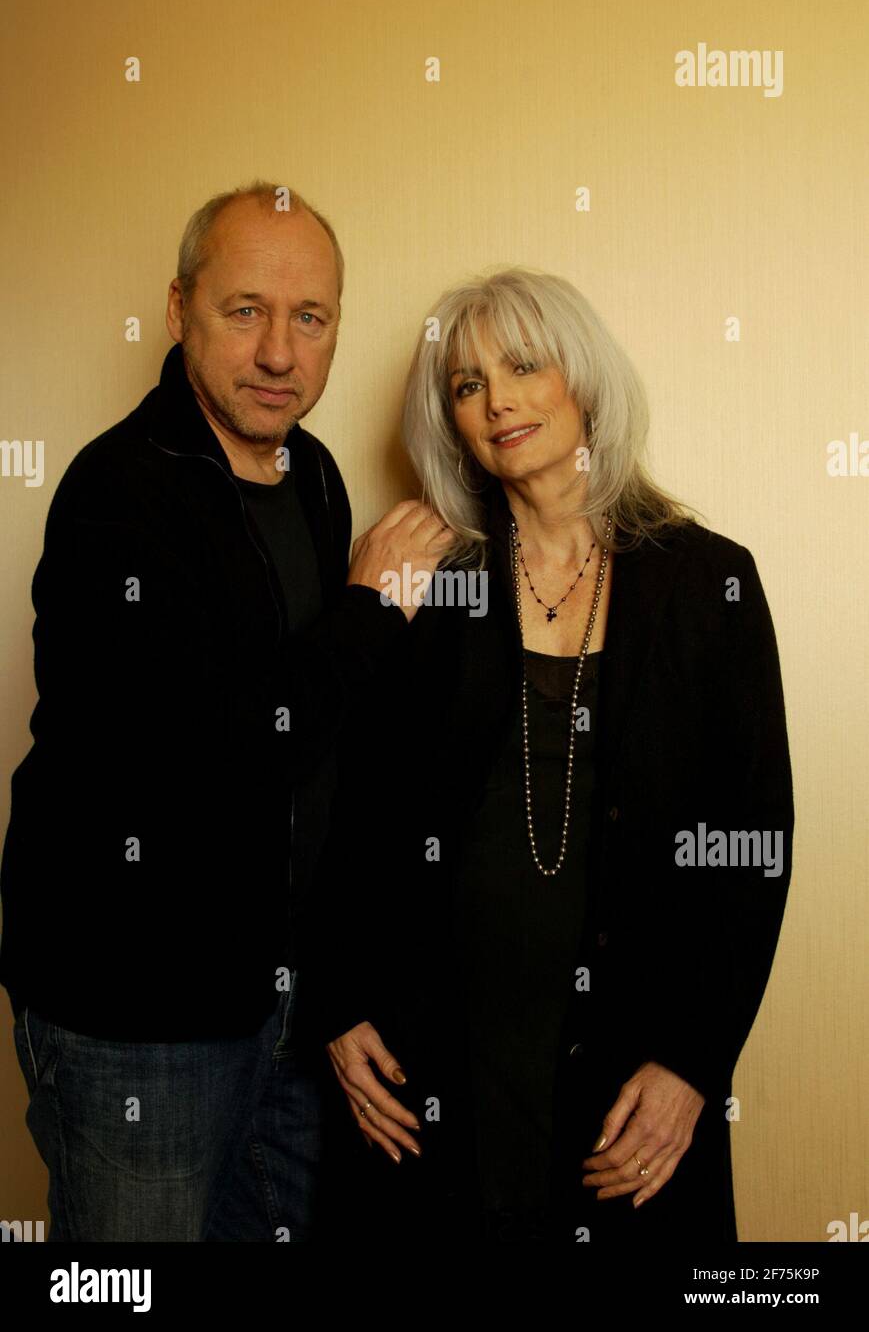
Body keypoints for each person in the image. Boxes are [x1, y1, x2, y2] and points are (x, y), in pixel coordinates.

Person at [0, 180, 453, 1241]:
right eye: (244, 310)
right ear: (177, 311)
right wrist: (370, 607)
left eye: (311, 318)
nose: (279, 354)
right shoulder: (119, 496)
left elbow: (331, 744)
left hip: (284, 1009)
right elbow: (209, 754)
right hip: (136, 1017)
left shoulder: (317, 476)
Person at [310, 267, 794, 1244]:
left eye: (522, 365)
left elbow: (748, 847)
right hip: (437, 1077)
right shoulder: (426, 579)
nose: (497, 401)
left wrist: (693, 1064)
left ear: (582, 379)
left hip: (627, 1078)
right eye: (465, 383)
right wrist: (333, 999)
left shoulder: (708, 585)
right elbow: (343, 807)